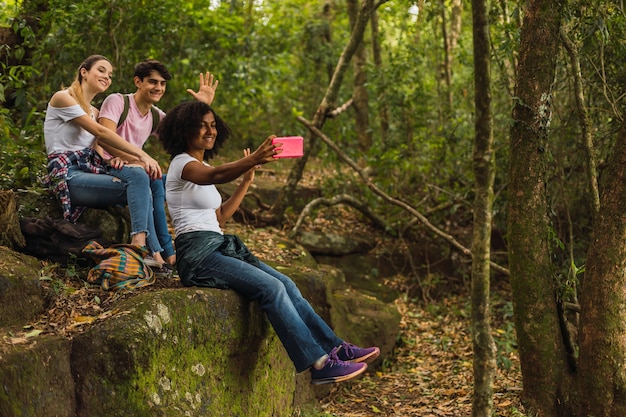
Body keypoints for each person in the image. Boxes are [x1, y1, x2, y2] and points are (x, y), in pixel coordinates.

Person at [157, 100, 380, 385]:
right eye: (201, 126)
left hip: (217, 243)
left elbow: (220, 217)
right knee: (271, 288)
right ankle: (320, 364)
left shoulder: (202, 165)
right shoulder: (181, 164)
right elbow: (215, 175)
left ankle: (335, 348)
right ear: (183, 130)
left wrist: (246, 181)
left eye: (213, 125)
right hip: (197, 254)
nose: (209, 131)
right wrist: (252, 159)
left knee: (287, 284)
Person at [98, 59, 219, 269]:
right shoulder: (118, 102)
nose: (158, 88)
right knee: (145, 175)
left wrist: (203, 106)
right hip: (107, 164)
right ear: (138, 81)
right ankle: (153, 250)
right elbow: (104, 138)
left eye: (162, 84)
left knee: (159, 180)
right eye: (153, 82)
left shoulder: (156, 116)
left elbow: (185, 136)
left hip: (137, 170)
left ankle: (167, 254)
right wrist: (136, 159)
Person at [43, 55, 164, 260]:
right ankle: (143, 248)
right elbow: (102, 133)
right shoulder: (63, 97)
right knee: (140, 179)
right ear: (84, 72)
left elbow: (98, 148)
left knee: (142, 180)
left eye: (109, 75)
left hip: (89, 170)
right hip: (67, 175)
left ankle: (155, 252)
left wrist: (112, 160)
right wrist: (142, 155)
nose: (106, 77)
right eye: (101, 70)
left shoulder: (94, 111)